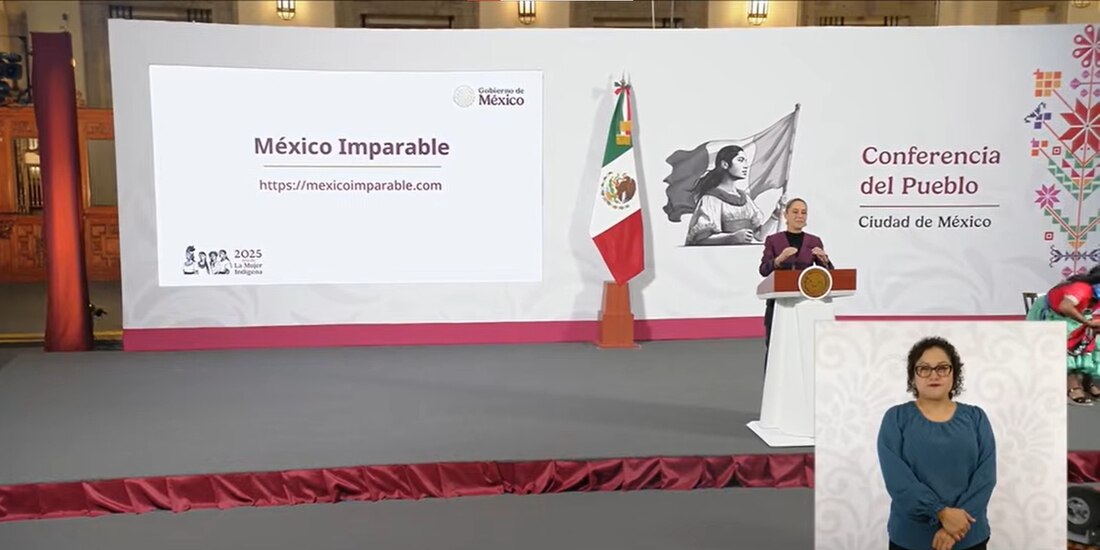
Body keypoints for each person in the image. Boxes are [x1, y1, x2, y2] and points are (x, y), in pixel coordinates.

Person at [877, 337, 996, 550]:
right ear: (912, 376)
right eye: (924, 368)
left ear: (954, 374)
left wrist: (955, 527)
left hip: (968, 537)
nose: (933, 375)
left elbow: (985, 477)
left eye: (942, 368)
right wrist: (940, 512)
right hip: (911, 539)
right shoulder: (896, 418)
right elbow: (898, 480)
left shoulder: (976, 417)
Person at [757, 198, 834, 350]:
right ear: (785, 215)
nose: (800, 216)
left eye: (804, 212)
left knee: (805, 345)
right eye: (795, 212)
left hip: (806, 303)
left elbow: (827, 276)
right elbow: (764, 270)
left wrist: (825, 261)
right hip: (778, 304)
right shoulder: (773, 240)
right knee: (776, 347)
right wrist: (779, 259)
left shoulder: (814, 241)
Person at [1026, 264, 1100, 405]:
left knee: (1095, 340)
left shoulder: (1097, 294)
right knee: (1069, 341)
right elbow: (1065, 306)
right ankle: (1071, 386)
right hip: (1053, 315)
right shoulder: (1082, 288)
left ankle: (1087, 382)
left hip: (1078, 317)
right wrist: (1087, 322)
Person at [683, 145, 783, 246]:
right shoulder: (711, 199)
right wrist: (732, 237)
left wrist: (775, 215)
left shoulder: (745, 199)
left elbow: (759, 236)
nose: (745, 165)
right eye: (740, 160)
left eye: (745, 161)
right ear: (725, 164)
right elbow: (701, 239)